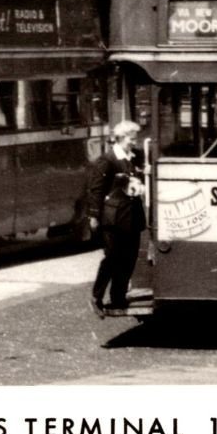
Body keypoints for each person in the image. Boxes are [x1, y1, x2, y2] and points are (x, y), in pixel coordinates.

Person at [86, 119, 145, 315]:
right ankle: (97, 297)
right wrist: (93, 216)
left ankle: (118, 297)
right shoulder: (108, 160)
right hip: (114, 218)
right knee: (112, 257)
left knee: (129, 258)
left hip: (132, 216)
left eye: (135, 139)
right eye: (131, 139)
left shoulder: (134, 158)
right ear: (120, 138)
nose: (134, 142)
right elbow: (95, 190)